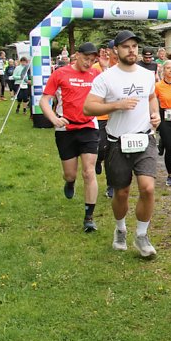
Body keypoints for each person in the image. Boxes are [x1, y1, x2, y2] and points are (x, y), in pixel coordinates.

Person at [83, 30, 161, 258]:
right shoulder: (105, 78)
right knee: (122, 192)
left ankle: (142, 235)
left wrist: (155, 114)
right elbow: (89, 108)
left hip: (144, 138)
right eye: (126, 47)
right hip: (118, 142)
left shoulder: (147, 75)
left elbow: (151, 97)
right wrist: (116, 105)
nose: (132, 50)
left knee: (147, 188)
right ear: (116, 50)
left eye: (134, 46)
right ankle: (120, 229)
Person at [40, 42, 102, 232]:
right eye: (86, 59)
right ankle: (70, 182)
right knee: (71, 173)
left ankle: (89, 217)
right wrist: (53, 118)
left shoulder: (96, 74)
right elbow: (44, 100)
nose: (89, 63)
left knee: (89, 171)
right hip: (65, 128)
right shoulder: (60, 73)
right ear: (77, 55)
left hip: (89, 127)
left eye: (92, 60)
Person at [91, 41, 118, 198]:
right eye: (110, 50)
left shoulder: (123, 66)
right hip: (101, 115)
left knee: (112, 152)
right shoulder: (96, 68)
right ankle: (97, 159)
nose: (112, 53)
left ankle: (111, 184)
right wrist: (104, 67)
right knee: (101, 148)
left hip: (116, 115)